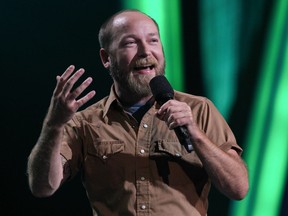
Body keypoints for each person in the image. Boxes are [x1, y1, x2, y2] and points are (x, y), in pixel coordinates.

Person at [27, 9, 249, 216]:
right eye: (130, 43)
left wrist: (195, 133)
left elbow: (238, 188)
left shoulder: (199, 110)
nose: (146, 51)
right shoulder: (84, 123)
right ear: (106, 58)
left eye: (153, 40)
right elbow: (42, 187)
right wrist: (53, 125)